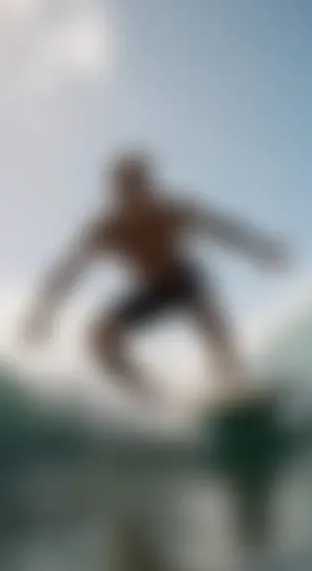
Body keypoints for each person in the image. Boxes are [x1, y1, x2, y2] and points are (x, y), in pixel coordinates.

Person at [21, 152, 288, 402]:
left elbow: (222, 228)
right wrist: (43, 314)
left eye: (140, 186)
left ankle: (237, 384)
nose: (135, 194)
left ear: (149, 186)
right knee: (100, 339)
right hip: (151, 289)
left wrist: (261, 249)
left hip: (184, 277)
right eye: (126, 188)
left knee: (208, 320)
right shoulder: (107, 228)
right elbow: (68, 270)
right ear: (116, 192)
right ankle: (162, 397)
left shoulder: (171, 210)